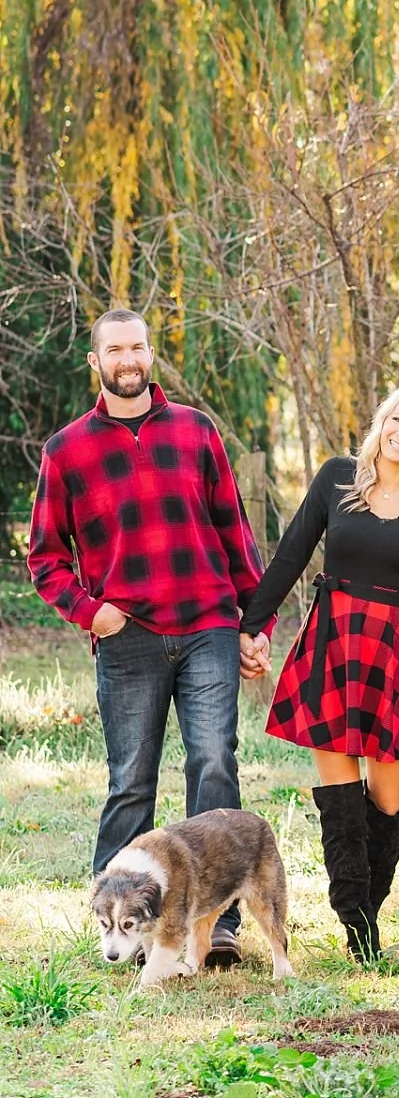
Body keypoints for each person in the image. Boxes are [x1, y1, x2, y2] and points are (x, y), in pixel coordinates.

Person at [27, 309, 266, 970]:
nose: (128, 359)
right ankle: (119, 922)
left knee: (214, 762)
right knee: (130, 779)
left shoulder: (195, 430)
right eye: (115, 349)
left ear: (150, 354)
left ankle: (214, 926)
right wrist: (88, 610)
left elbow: (235, 533)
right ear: (95, 361)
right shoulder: (66, 449)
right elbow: (45, 555)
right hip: (126, 634)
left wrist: (256, 623)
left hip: (208, 624)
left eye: (137, 347)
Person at [239, 385, 399, 964]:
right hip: (332, 643)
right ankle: (357, 926)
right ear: (381, 421)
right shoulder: (337, 478)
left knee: (389, 800)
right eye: (396, 419)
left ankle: (369, 904)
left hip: (391, 654)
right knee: (340, 798)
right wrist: (253, 624)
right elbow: (293, 552)